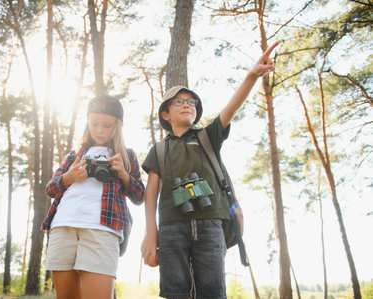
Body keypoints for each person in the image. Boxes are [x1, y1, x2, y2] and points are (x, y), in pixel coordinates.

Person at [141, 41, 279, 299]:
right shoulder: (159, 150)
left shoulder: (207, 136)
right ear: (165, 113)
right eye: (180, 101)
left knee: (213, 291)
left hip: (212, 223)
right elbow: (150, 195)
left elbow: (231, 108)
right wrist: (151, 234)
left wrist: (251, 76)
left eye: (192, 102)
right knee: (174, 292)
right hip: (171, 227)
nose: (188, 105)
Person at [41, 94, 145, 299]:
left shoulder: (127, 155)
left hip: (103, 228)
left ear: (118, 126)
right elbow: (50, 189)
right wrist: (69, 177)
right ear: (87, 122)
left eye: (106, 125)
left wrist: (123, 173)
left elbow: (140, 196)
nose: (99, 129)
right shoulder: (73, 155)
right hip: (63, 225)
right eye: (94, 123)